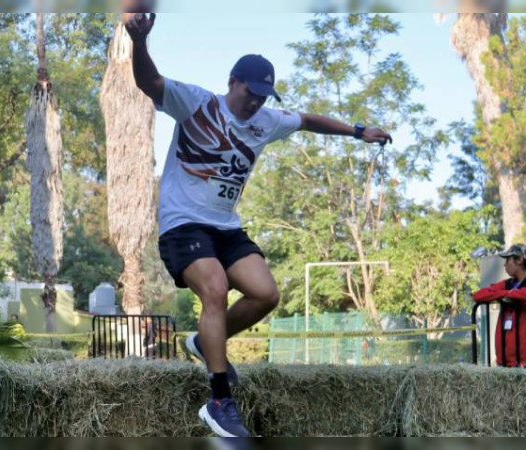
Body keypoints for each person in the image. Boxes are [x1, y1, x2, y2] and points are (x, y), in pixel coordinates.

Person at [125, 13, 392, 437]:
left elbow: (307, 120)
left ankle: (203, 342)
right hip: (184, 225)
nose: (256, 104)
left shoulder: (266, 121)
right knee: (214, 289)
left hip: (226, 228)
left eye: (263, 97)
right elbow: (149, 83)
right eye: (251, 93)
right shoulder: (196, 103)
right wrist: (138, 42)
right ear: (234, 81)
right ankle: (218, 400)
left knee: (266, 294)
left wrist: (358, 131)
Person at [473, 244, 526, 367]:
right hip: (504, 362)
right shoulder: (507, 284)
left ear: (520, 260)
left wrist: (503, 295)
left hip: (523, 362)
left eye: (508, 260)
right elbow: (478, 295)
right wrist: (506, 294)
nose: (505, 264)